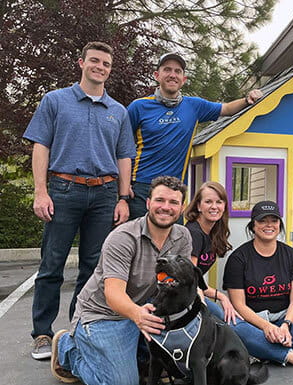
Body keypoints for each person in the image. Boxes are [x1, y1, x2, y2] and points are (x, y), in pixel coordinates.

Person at [23, 42, 136, 360]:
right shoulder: (55, 101)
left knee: (93, 267)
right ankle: (43, 334)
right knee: (52, 265)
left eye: (106, 64)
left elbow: (124, 156)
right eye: (95, 61)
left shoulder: (118, 111)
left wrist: (123, 197)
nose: (100, 67)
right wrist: (40, 191)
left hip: (103, 194)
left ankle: (78, 327)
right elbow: (41, 146)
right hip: (63, 190)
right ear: (81, 63)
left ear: (110, 70)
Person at [50, 176, 192, 385]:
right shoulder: (123, 238)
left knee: (191, 355)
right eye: (160, 200)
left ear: (182, 208)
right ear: (148, 203)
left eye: (173, 203)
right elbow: (113, 294)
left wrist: (205, 303)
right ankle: (69, 349)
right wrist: (138, 316)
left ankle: (135, 353)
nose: (166, 207)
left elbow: (181, 282)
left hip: (144, 310)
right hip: (104, 315)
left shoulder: (182, 236)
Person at [127, 53, 263, 219]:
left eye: (177, 71)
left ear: (183, 79)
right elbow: (122, 146)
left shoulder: (194, 106)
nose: (172, 74)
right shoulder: (139, 106)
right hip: (142, 186)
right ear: (157, 75)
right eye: (167, 70)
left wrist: (247, 99)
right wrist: (124, 186)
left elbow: (226, 109)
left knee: (172, 241)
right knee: (138, 239)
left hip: (175, 188)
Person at [222, 201, 293, 366]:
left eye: (274, 220)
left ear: (279, 225)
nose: (269, 225)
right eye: (262, 221)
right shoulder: (238, 258)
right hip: (253, 320)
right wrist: (266, 326)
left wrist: (285, 325)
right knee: (234, 328)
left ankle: (258, 352)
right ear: (253, 225)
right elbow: (239, 305)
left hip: (283, 317)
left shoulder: (291, 255)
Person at [184, 181, 241, 323]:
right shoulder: (194, 233)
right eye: (208, 202)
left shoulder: (214, 231)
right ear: (198, 206)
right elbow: (191, 279)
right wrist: (220, 297)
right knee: (228, 323)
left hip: (196, 293)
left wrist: (220, 296)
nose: (214, 207)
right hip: (185, 298)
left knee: (232, 321)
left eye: (219, 202)